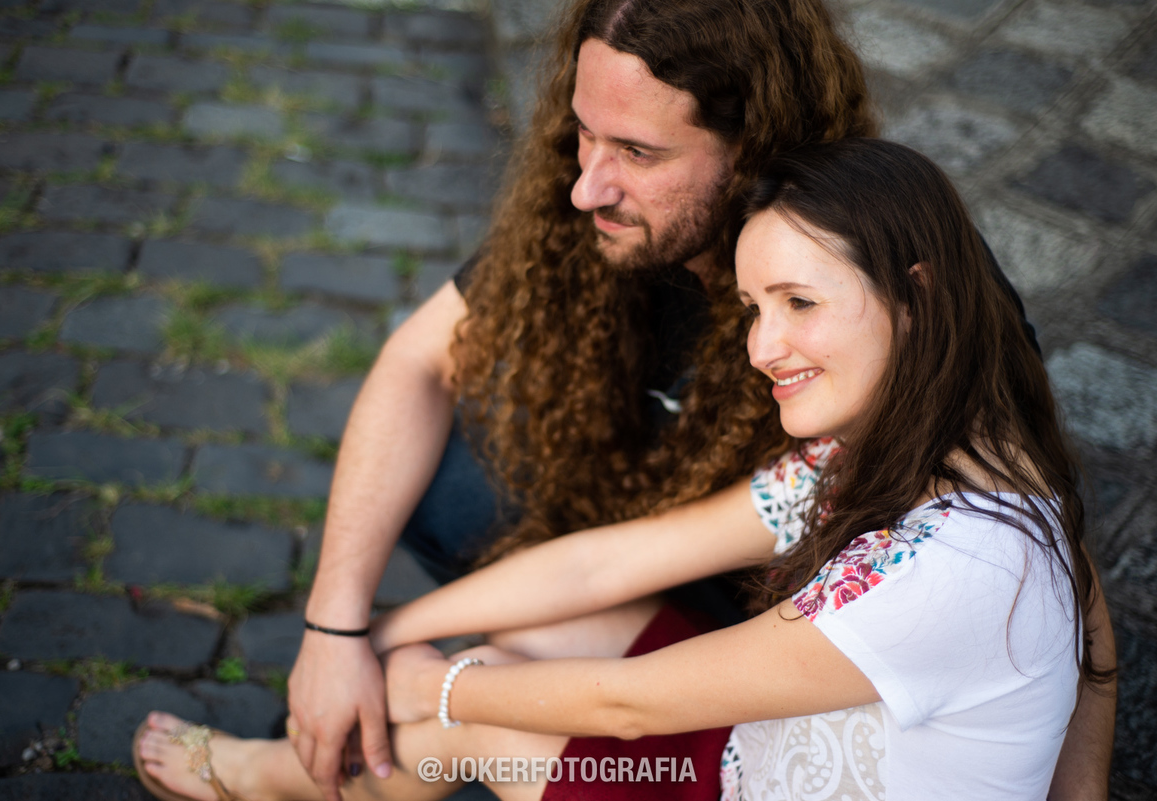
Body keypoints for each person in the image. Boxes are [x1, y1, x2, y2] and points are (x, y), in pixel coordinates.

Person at [134, 139, 1116, 801]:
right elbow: (605, 566)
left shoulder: (958, 566)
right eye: (752, 308)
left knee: (470, 719)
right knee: (539, 623)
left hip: (740, 777)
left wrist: (427, 685)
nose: (763, 346)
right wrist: (363, 632)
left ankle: (270, 776)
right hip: (767, 755)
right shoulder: (910, 462)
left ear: (916, 295)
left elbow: (629, 706)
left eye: (800, 303)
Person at [293, 0, 878, 797]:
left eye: (638, 150)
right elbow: (418, 360)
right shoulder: (598, 206)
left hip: (775, 655)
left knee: (484, 696)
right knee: (448, 489)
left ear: (751, 154)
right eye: (584, 132)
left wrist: (435, 683)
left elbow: (1053, 552)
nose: (585, 188)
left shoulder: (885, 292)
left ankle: (294, 770)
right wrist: (339, 629)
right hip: (649, 560)